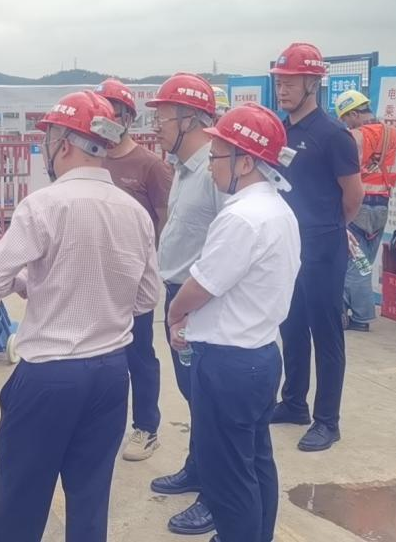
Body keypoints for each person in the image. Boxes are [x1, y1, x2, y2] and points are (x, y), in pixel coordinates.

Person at [0, 90, 162, 542]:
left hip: (49, 375)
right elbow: (146, 297)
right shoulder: (134, 212)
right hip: (111, 375)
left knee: (21, 501)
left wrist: (28, 282)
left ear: (62, 145)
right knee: (90, 501)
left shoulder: (44, 205)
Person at [165, 103, 301, 542]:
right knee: (255, 462)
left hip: (228, 364)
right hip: (261, 355)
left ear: (245, 163)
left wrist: (175, 312)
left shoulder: (241, 217)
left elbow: (203, 283)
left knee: (228, 478)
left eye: (217, 157)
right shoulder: (277, 209)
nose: (210, 167)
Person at [143, 73, 227, 535]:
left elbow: (226, 247)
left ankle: (215, 496)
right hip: (177, 294)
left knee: (210, 402)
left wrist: (190, 302)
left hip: (201, 301)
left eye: (163, 117)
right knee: (193, 396)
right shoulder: (182, 168)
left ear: (190, 119)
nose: (156, 126)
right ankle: (198, 468)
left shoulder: (216, 172)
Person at [269, 43, 363, 453]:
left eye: (290, 82)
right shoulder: (281, 132)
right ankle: (294, 403)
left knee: (325, 333)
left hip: (323, 246)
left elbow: (353, 195)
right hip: (288, 245)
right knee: (290, 326)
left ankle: (327, 420)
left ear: (312, 83)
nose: (283, 89)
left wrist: (330, 227)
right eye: (279, 82)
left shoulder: (333, 135)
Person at [94, 78, 174, 462]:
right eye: (100, 115)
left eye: (113, 114)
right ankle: (101, 424)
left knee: (138, 355)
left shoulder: (150, 166)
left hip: (135, 279)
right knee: (98, 356)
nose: (106, 122)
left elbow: (165, 221)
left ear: (128, 117)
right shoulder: (92, 159)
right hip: (95, 276)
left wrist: (149, 265)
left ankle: (146, 427)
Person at [333, 89, 396, 331]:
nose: (345, 124)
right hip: (381, 207)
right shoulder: (394, 133)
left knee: (353, 263)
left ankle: (360, 317)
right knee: (363, 261)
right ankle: (351, 311)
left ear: (353, 114)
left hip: (355, 207)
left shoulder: (352, 137)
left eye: (345, 118)